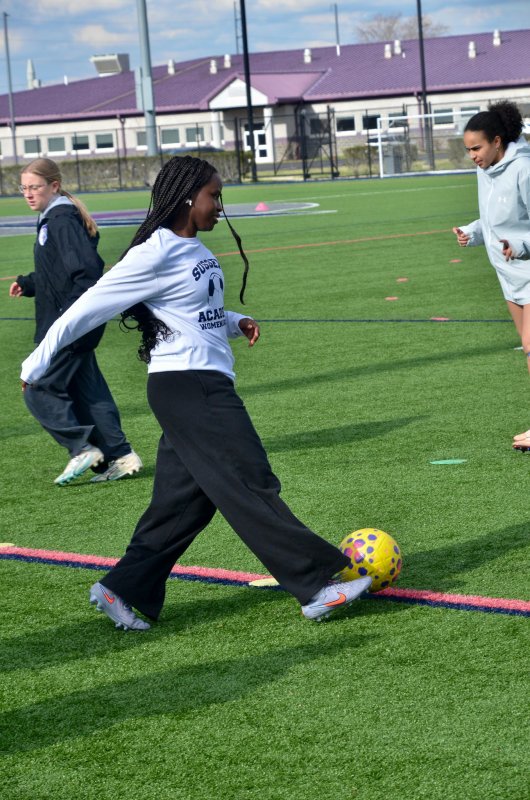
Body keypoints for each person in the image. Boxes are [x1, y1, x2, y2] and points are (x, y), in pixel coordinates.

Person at [19, 154, 372, 630]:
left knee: (183, 504)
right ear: (186, 197)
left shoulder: (198, 251)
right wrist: (37, 362)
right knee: (250, 478)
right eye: (213, 196)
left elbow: (193, 313)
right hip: (188, 387)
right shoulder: (154, 251)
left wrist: (233, 322)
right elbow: (86, 308)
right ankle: (314, 586)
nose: (219, 206)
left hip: (198, 382)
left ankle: (121, 588)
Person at [11, 157, 142, 485]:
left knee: (36, 386)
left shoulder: (60, 220)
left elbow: (87, 272)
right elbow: (57, 272)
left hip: (68, 325)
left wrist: (70, 319)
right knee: (89, 393)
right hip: (73, 323)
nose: (28, 194)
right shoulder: (53, 218)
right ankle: (122, 456)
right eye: (24, 188)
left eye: (35, 187)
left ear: (54, 186)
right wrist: (30, 283)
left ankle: (81, 448)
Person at [451, 101, 530, 452]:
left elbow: (518, 231)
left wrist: (521, 245)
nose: (472, 156)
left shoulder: (524, 169)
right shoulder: (484, 172)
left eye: (476, 148)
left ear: (497, 141)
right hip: (509, 276)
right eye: (467, 150)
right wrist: (473, 231)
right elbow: (495, 220)